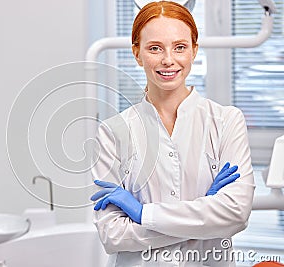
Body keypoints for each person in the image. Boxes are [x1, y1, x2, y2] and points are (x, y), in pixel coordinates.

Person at [90, 1, 255, 266]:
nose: (168, 60)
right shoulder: (113, 133)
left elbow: (235, 214)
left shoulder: (226, 121)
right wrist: (204, 210)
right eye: (155, 48)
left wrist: (144, 214)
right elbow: (113, 236)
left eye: (180, 47)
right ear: (137, 53)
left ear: (194, 50)